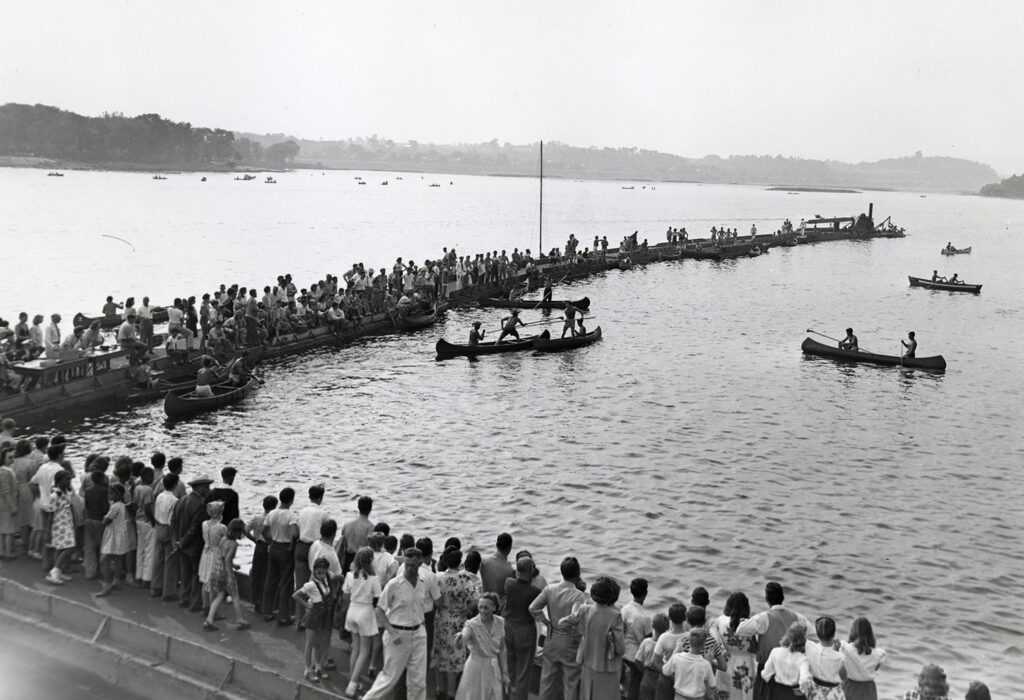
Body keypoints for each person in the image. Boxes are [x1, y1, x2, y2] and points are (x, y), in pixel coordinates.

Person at [361, 547, 440, 700]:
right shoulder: (394, 584)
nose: (410, 568)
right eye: (407, 564)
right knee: (388, 678)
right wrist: (392, 631)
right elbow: (379, 610)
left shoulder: (423, 583)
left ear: (420, 564)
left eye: (413, 565)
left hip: (419, 634)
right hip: (397, 635)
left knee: (418, 682)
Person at [735, 582, 814, 700]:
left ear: (767, 599)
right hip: (793, 670)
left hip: (769, 669)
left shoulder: (763, 618)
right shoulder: (797, 617)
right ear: (783, 598)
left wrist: (746, 623)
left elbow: (740, 630)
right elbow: (812, 632)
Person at [558, 575, 625, 700]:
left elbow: (563, 623)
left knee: (587, 695)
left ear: (593, 595)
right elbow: (620, 649)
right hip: (607, 666)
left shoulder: (584, 610)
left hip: (587, 662)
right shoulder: (615, 616)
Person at [529, 555, 586, 700]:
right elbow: (574, 616)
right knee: (570, 682)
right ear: (577, 574)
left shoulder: (550, 589)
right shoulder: (578, 595)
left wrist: (546, 622)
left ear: (562, 572)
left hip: (551, 638)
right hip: (569, 643)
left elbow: (533, 608)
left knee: (547, 681)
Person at [435, 548, 480, 699]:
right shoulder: (464, 579)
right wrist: (466, 609)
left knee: (441, 655)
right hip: (458, 621)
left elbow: (433, 597)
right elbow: (476, 599)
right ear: (460, 562)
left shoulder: (438, 577)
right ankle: (451, 693)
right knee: (454, 657)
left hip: (442, 619)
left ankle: (440, 689)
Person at [343, 547, 383, 697]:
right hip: (365, 612)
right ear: (370, 561)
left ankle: (354, 680)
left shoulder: (349, 575)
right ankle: (352, 686)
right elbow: (377, 597)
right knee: (365, 651)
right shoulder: (374, 579)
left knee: (355, 648)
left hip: (352, 610)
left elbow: (346, 595)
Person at [453, 591, 508, 699]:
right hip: (475, 670)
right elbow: (464, 638)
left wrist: (504, 673)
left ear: (494, 607)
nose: (482, 611)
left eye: (486, 608)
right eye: (480, 607)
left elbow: (501, 649)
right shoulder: (472, 624)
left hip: (493, 669)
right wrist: (460, 638)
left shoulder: (501, 622)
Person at [171, 476, 213, 612]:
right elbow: (194, 529)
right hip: (194, 546)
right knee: (196, 574)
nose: (209, 490)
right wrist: (183, 542)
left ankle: (184, 598)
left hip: (181, 544)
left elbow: (174, 521)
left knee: (185, 573)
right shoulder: (201, 505)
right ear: (200, 488)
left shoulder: (181, 500)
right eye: (207, 487)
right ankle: (195, 603)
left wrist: (178, 541)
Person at [293, 556, 337, 682]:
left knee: (318, 643)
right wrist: (308, 606)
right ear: (314, 571)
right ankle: (307, 669)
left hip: (322, 616)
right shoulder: (311, 584)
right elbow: (295, 595)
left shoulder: (326, 581)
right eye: (319, 573)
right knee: (310, 643)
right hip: (313, 616)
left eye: (324, 573)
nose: (322, 575)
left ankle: (317, 666)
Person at [503, 556, 542, 700]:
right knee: (524, 669)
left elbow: (515, 577)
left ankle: (508, 693)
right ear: (531, 571)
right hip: (525, 630)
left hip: (508, 627)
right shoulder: (535, 591)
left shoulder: (509, 583)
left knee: (510, 663)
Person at [709, 591, 758, 700]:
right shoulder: (750, 625)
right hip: (745, 664)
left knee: (724, 693)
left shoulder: (720, 621)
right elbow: (755, 650)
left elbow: (714, 639)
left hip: (727, 661)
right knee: (743, 694)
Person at [204, 518, 249, 631]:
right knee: (234, 596)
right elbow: (228, 560)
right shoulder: (233, 544)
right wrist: (230, 575)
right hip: (225, 572)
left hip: (216, 570)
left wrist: (233, 565)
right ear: (238, 532)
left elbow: (222, 556)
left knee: (219, 595)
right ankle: (240, 619)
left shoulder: (223, 539)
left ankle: (209, 620)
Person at [262, 487, 298, 625]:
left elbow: (264, 531)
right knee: (286, 582)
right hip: (285, 548)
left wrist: (270, 541)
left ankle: (267, 611)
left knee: (270, 580)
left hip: (274, 546)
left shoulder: (272, 513)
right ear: (291, 500)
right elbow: (294, 533)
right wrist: (291, 545)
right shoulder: (291, 515)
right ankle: (283, 616)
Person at [296, 484, 330, 625]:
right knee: (315, 586)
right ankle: (309, 620)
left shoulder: (302, 512)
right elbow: (326, 533)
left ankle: (299, 620)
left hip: (300, 546)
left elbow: (298, 528)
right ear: (320, 498)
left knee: (300, 585)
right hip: (314, 548)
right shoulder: (323, 514)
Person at [760, 623, 813, 699]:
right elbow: (805, 679)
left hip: (776, 691)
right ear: (803, 640)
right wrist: (803, 690)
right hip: (793, 694)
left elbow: (765, 675)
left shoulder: (775, 651)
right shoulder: (803, 659)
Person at [662, 628, 717, 700]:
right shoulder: (705, 664)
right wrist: (709, 662)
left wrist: (676, 651)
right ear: (703, 644)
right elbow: (712, 684)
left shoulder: (677, 658)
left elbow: (665, 671)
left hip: (679, 697)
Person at [96, 483, 130, 597]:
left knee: (104, 560)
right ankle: (116, 581)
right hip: (119, 535)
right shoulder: (122, 505)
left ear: (118, 494)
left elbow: (105, 521)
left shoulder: (115, 507)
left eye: (112, 493)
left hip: (113, 536)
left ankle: (106, 586)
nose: (109, 495)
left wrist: (103, 519)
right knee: (117, 558)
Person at [622, 577, 654, 700]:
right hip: (636, 657)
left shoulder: (625, 609)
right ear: (645, 593)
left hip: (624, 652)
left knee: (627, 685)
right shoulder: (644, 617)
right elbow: (648, 641)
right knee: (634, 688)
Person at [840, 617, 885, 700]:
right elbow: (877, 666)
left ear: (853, 632)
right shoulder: (878, 654)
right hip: (869, 689)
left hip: (850, 686)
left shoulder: (845, 648)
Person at [246, 494, 277, 614]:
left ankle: (255, 601)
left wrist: (253, 539)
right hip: (269, 546)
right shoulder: (272, 520)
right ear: (274, 507)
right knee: (267, 575)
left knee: (256, 573)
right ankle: (265, 603)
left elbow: (245, 530)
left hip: (258, 546)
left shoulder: (257, 518)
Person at [151, 473, 180, 600]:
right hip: (168, 529)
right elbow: (173, 520)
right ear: (175, 485)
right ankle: (168, 591)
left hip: (158, 526)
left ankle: (156, 587)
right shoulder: (175, 500)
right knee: (170, 561)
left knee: (158, 558)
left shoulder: (159, 496)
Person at [803, 616, 843, 700]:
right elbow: (844, 676)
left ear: (817, 634)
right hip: (833, 694)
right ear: (833, 634)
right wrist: (837, 651)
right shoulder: (840, 657)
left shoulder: (809, 647)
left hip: (815, 692)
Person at [197, 501, 227, 614]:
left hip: (206, 552)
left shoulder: (204, 524)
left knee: (205, 580)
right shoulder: (222, 527)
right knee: (214, 583)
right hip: (216, 553)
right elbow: (225, 541)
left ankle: (205, 607)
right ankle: (213, 611)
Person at [480, 532, 515, 597]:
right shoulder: (511, 571)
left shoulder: (483, 561)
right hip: (498, 604)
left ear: (496, 545)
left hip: (483, 600)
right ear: (509, 547)